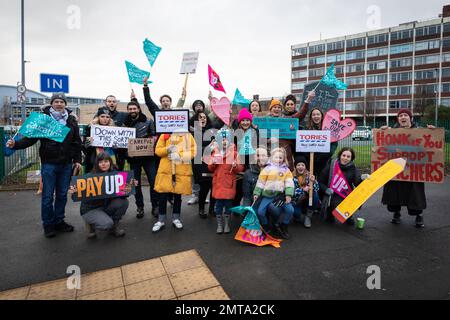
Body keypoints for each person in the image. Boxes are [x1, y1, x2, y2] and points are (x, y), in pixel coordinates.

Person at [6, 93, 82, 238]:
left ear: (65, 104)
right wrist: (15, 144)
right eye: (56, 101)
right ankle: (48, 224)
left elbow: (76, 142)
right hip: (49, 164)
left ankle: (59, 221)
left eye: (62, 102)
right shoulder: (44, 120)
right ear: (51, 103)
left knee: (61, 195)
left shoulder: (71, 120)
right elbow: (30, 140)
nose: (59, 104)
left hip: (66, 165)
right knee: (47, 196)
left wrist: (77, 160)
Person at [380, 109, 435, 228]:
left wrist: (434, 132)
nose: (403, 117)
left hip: (414, 167)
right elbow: (384, 147)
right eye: (400, 116)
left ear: (411, 118)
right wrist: (381, 132)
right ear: (398, 119)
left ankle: (418, 215)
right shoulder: (392, 132)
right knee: (395, 191)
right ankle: (396, 213)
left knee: (415, 193)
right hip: (396, 166)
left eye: (405, 115)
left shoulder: (420, 131)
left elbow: (432, 144)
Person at [69, 152, 137, 238]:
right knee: (107, 224)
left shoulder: (115, 175)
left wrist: (130, 186)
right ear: (97, 164)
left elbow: (123, 195)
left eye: (106, 161)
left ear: (110, 162)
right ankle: (91, 224)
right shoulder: (90, 176)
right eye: (100, 162)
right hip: (90, 209)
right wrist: (73, 191)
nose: (103, 164)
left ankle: (114, 228)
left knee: (123, 202)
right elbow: (76, 195)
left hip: (106, 206)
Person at [152, 131, 197, 232]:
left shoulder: (187, 135)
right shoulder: (164, 134)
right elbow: (158, 150)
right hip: (166, 170)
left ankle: (176, 218)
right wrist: (167, 149)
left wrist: (179, 155)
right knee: (162, 196)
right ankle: (161, 220)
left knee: (177, 196)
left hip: (180, 170)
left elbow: (193, 151)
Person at [123, 100, 159, 219]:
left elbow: (155, 135)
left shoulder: (148, 121)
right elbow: (122, 141)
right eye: (130, 109)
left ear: (138, 109)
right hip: (134, 159)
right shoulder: (125, 123)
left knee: (153, 182)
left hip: (149, 158)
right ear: (128, 110)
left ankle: (155, 206)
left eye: (134, 108)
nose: (132, 111)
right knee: (136, 184)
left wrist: (149, 141)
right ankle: (140, 207)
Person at [208, 128, 245, 234]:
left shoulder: (234, 153)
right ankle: (219, 225)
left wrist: (236, 166)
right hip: (219, 183)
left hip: (229, 183)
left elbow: (241, 168)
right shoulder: (215, 152)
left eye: (226, 139)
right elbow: (210, 168)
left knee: (228, 205)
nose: (224, 141)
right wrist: (214, 163)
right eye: (222, 139)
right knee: (218, 205)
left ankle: (227, 224)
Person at [266, 92, 315, 170]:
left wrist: (307, 100)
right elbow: (260, 139)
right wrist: (268, 140)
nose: (276, 109)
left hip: (285, 153)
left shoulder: (286, 119)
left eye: (279, 107)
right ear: (271, 109)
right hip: (270, 152)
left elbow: (300, 115)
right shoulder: (265, 121)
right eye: (274, 107)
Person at [253, 148, 295, 239]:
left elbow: (289, 182)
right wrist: (256, 193)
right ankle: (266, 226)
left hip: (280, 196)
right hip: (267, 196)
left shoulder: (286, 170)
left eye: (281, 158)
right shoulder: (267, 169)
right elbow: (261, 182)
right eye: (276, 157)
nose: (279, 159)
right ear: (272, 157)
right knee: (260, 212)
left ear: (283, 159)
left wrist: (288, 195)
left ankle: (284, 226)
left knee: (290, 210)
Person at [318, 147, 363, 225]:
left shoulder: (353, 168)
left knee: (358, 198)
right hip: (332, 194)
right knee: (334, 208)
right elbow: (320, 181)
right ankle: (330, 212)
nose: (345, 158)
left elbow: (357, 183)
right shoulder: (332, 165)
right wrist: (326, 189)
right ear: (340, 155)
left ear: (351, 158)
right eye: (343, 155)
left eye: (348, 157)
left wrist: (363, 178)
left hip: (345, 193)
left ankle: (348, 215)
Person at [297, 107, 338, 178]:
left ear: (322, 116)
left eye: (318, 114)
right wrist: (308, 155)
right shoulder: (306, 129)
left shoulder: (328, 129)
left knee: (322, 180)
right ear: (311, 117)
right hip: (309, 161)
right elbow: (302, 145)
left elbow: (334, 144)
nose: (316, 116)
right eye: (314, 115)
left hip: (324, 161)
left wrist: (325, 154)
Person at [232, 108, 260, 206]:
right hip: (240, 161)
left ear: (250, 121)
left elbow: (258, 145)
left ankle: (249, 207)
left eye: (247, 120)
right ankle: (235, 206)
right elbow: (233, 147)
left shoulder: (255, 131)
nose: (245, 122)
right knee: (239, 186)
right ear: (240, 122)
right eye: (243, 120)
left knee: (251, 187)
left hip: (252, 162)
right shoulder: (235, 132)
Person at [191, 111, 216, 218]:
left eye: (204, 117)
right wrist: (208, 147)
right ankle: (201, 209)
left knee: (214, 187)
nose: (202, 119)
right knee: (204, 187)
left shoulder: (212, 131)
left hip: (212, 161)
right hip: (200, 163)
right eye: (200, 117)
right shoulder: (192, 133)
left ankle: (211, 209)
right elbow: (193, 149)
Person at [98, 95, 128, 170]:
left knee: (117, 177)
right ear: (105, 102)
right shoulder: (96, 119)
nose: (111, 103)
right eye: (109, 101)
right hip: (99, 156)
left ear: (116, 103)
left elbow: (135, 112)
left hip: (117, 155)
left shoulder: (122, 115)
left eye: (113, 101)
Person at [83, 108, 117, 173]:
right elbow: (84, 147)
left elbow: (118, 151)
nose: (105, 119)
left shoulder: (114, 131)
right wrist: (87, 143)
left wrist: (116, 148)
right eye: (102, 116)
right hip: (93, 161)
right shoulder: (90, 129)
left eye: (107, 117)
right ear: (98, 117)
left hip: (110, 161)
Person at [292, 156, 320, 228]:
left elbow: (317, 188)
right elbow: (291, 191)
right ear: (295, 166)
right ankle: (297, 215)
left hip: (307, 199)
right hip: (296, 200)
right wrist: (302, 190)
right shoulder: (291, 176)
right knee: (297, 215)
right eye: (298, 165)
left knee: (315, 195)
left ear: (305, 166)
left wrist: (313, 182)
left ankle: (308, 216)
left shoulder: (309, 175)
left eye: (302, 165)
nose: (300, 167)